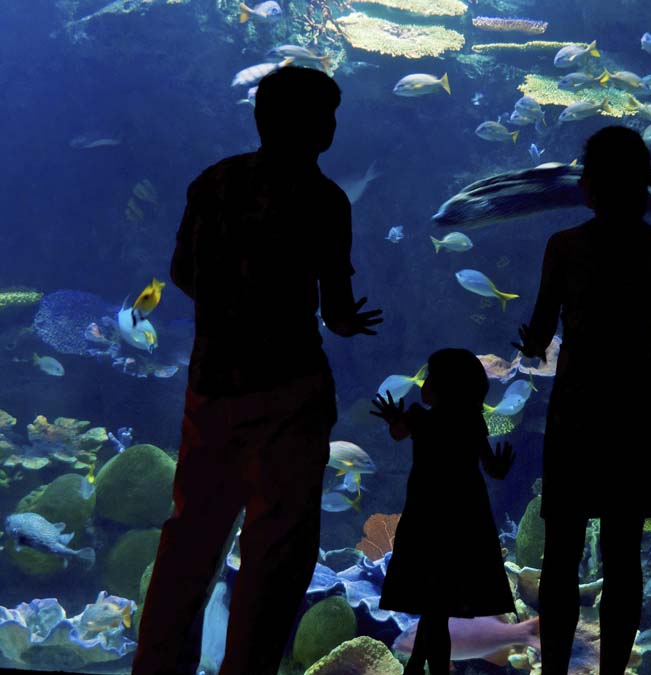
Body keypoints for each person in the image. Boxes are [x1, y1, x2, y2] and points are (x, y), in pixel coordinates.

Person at [131, 66, 382, 675]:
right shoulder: (325, 200)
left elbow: (185, 274)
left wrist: (232, 302)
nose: (331, 127)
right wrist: (347, 325)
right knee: (279, 546)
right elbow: (338, 308)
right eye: (328, 116)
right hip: (291, 389)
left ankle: (157, 668)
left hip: (214, 384)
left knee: (192, 535)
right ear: (317, 127)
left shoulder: (213, 183)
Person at [513, 125, 651, 675]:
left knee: (561, 552)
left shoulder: (565, 247)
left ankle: (556, 673)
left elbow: (540, 333)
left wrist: (532, 344)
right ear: (643, 184)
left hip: (579, 400)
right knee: (624, 551)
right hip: (635, 396)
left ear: (588, 186)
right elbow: (645, 323)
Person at [370, 348, 516, 675]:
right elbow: (490, 466)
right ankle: (419, 667)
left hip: (427, 516)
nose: (424, 383)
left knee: (432, 606)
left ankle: (428, 669)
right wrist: (502, 467)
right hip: (465, 517)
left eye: (430, 377)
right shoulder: (472, 421)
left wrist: (394, 418)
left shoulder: (422, 418)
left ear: (443, 384)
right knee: (439, 606)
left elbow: (398, 433)